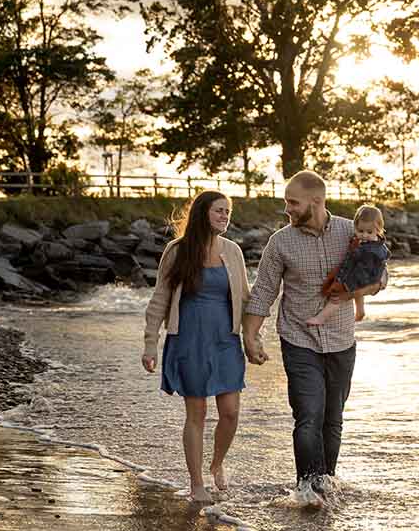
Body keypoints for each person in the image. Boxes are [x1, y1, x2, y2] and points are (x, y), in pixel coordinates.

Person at [242, 171, 387, 500]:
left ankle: (326, 485)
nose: (287, 209)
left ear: (316, 202)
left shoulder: (352, 232)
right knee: (308, 415)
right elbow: (264, 290)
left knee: (333, 419)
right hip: (299, 338)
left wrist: (351, 296)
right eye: (286, 202)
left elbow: (381, 276)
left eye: (293, 202)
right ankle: (307, 488)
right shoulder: (280, 242)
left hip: (341, 340)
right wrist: (250, 336)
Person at [142, 191, 250, 504]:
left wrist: (254, 337)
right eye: (219, 211)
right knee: (197, 413)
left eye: (228, 212)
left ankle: (217, 463)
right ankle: (197, 482)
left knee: (230, 413)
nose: (225, 217)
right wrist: (151, 344)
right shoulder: (177, 251)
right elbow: (160, 299)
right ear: (203, 212)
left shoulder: (232, 251)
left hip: (225, 340)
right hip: (188, 339)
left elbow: (245, 297)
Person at [305, 204, 390, 326]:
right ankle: (360, 310)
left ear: (379, 230)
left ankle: (321, 318)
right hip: (362, 274)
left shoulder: (371, 250)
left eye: (369, 232)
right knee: (354, 290)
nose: (364, 235)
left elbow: (365, 267)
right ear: (355, 227)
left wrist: (348, 286)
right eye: (360, 231)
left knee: (337, 298)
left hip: (363, 277)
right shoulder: (374, 243)